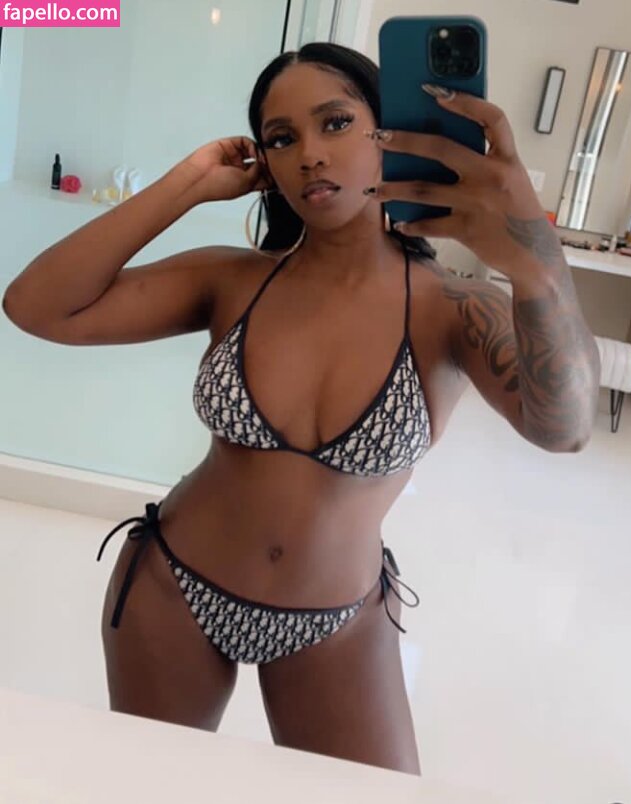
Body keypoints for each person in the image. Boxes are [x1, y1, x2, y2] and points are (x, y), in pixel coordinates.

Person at [2, 42, 600, 775]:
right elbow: (36, 306)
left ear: (388, 134)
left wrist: (536, 259)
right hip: (174, 590)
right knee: (151, 786)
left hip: (337, 622)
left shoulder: (453, 309)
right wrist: (188, 183)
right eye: (282, 138)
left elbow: (564, 428)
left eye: (336, 122)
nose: (310, 154)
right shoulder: (233, 280)